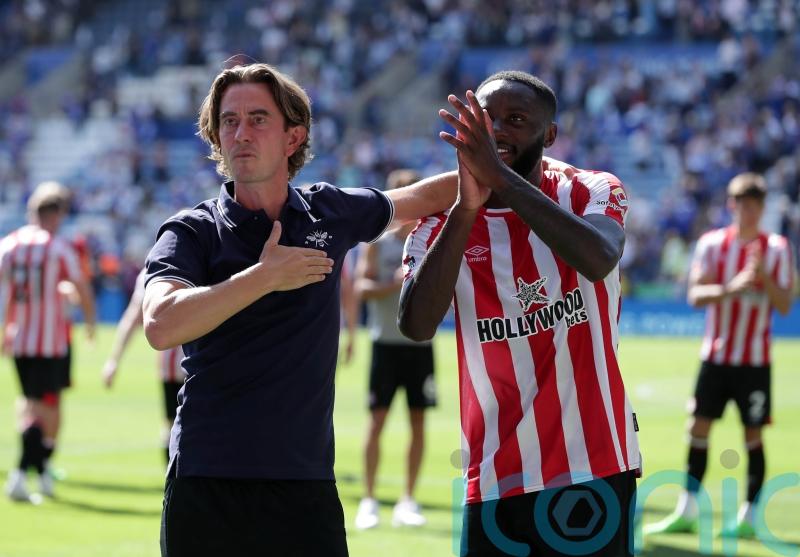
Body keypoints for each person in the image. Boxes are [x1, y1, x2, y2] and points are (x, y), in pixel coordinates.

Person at [142, 62, 456, 557]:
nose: (240, 133)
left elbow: (423, 197)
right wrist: (263, 277)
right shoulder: (191, 231)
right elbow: (161, 325)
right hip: (208, 479)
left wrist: (516, 166)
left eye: (258, 119)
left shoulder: (328, 212)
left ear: (294, 137)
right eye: (229, 121)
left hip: (304, 482)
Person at [398, 71, 641, 557]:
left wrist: (500, 178)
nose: (499, 130)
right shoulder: (440, 221)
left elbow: (596, 258)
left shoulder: (590, 189)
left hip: (592, 464)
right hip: (493, 474)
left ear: (549, 135)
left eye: (516, 120)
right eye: (487, 119)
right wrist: (466, 209)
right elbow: (417, 325)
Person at [644, 173, 794, 539]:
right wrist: (733, 287)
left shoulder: (776, 248)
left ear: (762, 208)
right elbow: (694, 296)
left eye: (755, 206)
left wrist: (762, 278)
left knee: (753, 435)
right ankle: (687, 510)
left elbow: (786, 304)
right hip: (716, 356)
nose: (749, 212)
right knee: (697, 428)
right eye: (742, 205)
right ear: (732, 206)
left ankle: (750, 516)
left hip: (755, 360)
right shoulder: (712, 244)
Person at [1, 181, 96, 502]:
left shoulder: (9, 245)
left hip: (20, 340)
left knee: (30, 405)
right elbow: (81, 285)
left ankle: (40, 475)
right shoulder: (57, 247)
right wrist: (90, 322)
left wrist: (5, 331)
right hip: (50, 341)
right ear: (56, 214)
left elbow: (5, 295)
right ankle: (19, 475)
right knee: (42, 411)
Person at [353, 169, 437, 530]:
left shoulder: (432, 241)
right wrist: (393, 284)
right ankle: (369, 500)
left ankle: (408, 499)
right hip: (384, 343)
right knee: (377, 421)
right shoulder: (378, 241)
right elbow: (361, 287)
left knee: (419, 422)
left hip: (420, 346)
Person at [102, 267, 186, 464]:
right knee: (175, 424)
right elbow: (134, 315)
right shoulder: (154, 268)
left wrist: (114, 360)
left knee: (176, 424)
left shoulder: (156, 267)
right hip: (179, 363)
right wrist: (114, 359)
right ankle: (174, 483)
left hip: (186, 363)